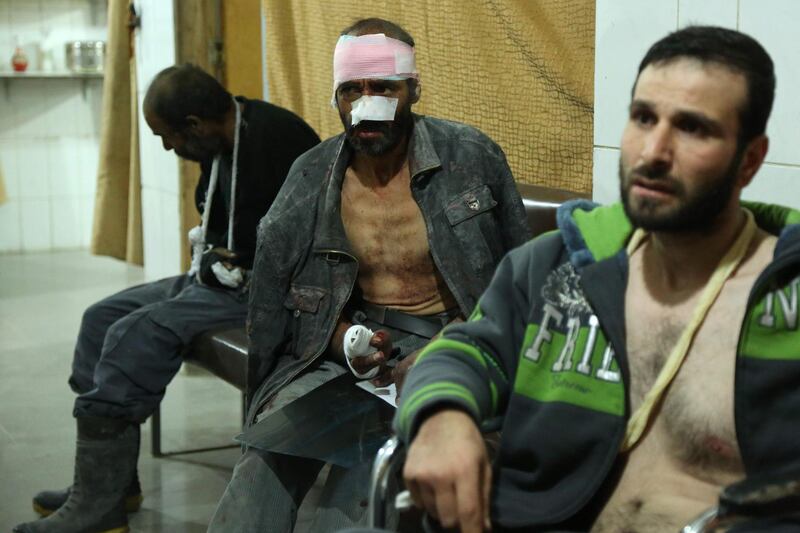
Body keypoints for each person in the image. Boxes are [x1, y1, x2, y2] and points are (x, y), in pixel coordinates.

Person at [393, 26, 800, 532]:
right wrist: (440, 418)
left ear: (750, 160)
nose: (653, 151)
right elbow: (465, 351)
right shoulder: (556, 266)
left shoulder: (788, 301)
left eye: (694, 128)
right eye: (643, 117)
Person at [207, 17, 530, 533]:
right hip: (352, 350)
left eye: (383, 88)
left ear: (413, 90)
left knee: (356, 493)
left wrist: (452, 349)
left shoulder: (470, 157)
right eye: (352, 90)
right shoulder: (311, 176)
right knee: (262, 459)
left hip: (453, 342)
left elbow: (522, 281)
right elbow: (274, 294)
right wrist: (339, 338)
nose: (366, 104)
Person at [14, 64, 320, 533]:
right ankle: (111, 485)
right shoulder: (219, 142)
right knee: (102, 317)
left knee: (130, 334)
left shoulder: (278, 140)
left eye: (166, 137)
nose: (166, 147)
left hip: (266, 294)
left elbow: (306, 237)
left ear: (194, 126)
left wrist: (238, 262)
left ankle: (100, 511)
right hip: (218, 280)